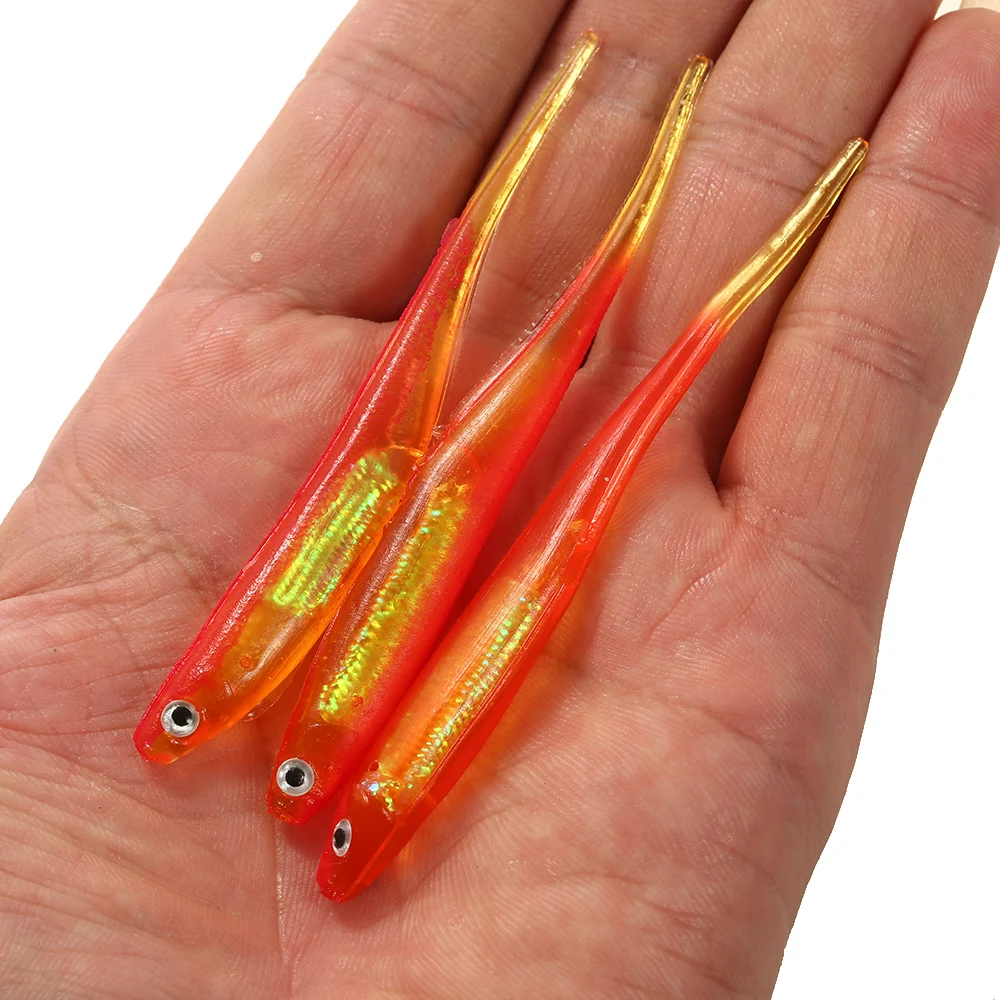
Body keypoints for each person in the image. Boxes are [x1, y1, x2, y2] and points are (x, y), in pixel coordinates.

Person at [0, 0, 997, 996]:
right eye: (193, 720)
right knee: (607, 365)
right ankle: (667, 148)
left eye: (190, 716)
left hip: (437, 496)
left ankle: (663, 147)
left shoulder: (338, 738)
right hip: (434, 501)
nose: (302, 790)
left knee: (626, 367)